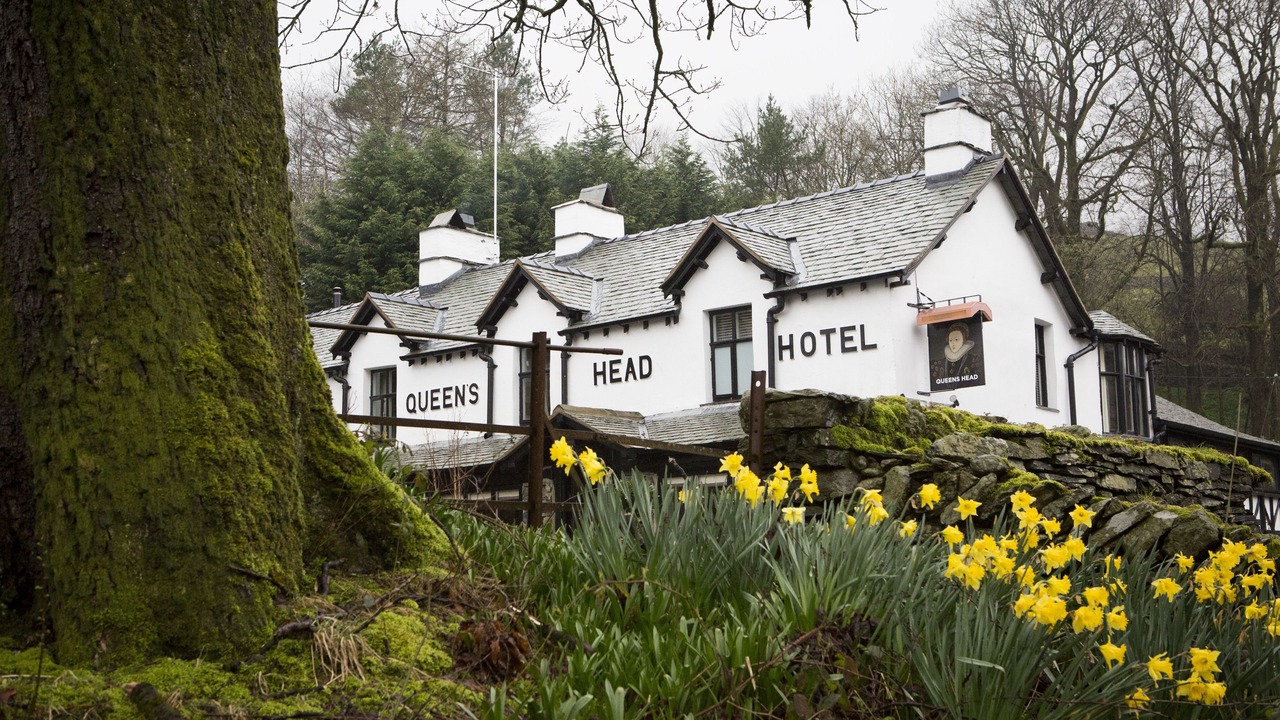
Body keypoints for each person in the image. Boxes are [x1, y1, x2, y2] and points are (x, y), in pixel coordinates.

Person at [932, 322, 982, 388]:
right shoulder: (938, 364)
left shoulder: (974, 360)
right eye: (950, 340)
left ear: (963, 341)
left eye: (956, 340)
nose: (953, 343)